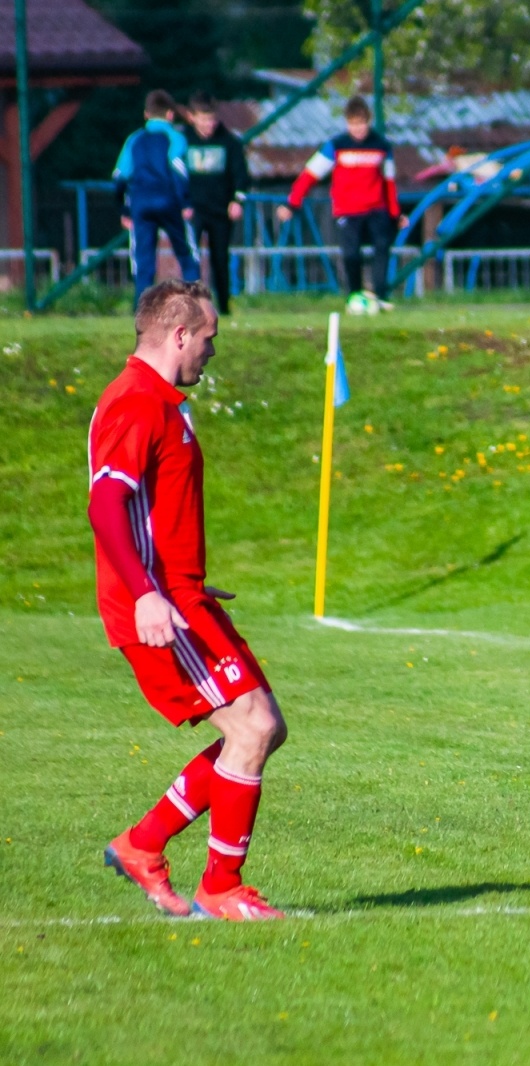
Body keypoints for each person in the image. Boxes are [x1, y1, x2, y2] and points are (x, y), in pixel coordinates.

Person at [90, 280, 288, 921]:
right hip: (159, 612)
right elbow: (105, 506)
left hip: (181, 598)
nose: (212, 351)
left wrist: (185, 581)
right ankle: (220, 887)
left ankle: (142, 845)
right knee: (252, 728)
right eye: (209, 338)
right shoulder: (138, 403)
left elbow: (151, 510)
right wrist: (150, 594)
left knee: (263, 730)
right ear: (179, 335)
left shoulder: (159, 402)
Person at [276, 96, 407, 313]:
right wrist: (292, 203)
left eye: (362, 123)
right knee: (351, 254)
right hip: (348, 210)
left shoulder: (382, 147)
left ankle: (381, 295)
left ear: (369, 121)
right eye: (353, 124)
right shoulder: (336, 146)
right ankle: (354, 296)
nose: (358, 129)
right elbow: (310, 175)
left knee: (382, 249)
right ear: (347, 123)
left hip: (377, 209)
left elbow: (389, 183)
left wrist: (396, 213)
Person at [113, 91, 200, 304]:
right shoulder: (175, 137)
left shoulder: (134, 139)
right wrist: (186, 201)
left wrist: (124, 209)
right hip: (168, 201)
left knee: (144, 260)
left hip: (141, 204)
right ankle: (196, 304)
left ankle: (141, 309)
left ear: (146, 114)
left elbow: (119, 177)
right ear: (170, 114)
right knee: (185, 253)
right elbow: (178, 171)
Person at [182, 93, 250, 316]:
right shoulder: (183, 142)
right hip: (193, 210)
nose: (208, 125)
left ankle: (224, 306)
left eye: (212, 119)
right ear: (193, 118)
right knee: (191, 258)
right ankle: (190, 307)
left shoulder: (229, 142)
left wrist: (237, 200)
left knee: (220, 258)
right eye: (203, 119)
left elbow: (241, 175)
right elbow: (177, 175)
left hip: (221, 211)